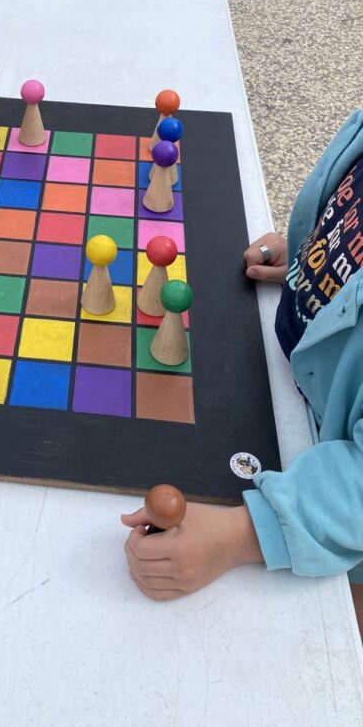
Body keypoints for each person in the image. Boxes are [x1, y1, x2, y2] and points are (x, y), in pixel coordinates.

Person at [122, 110, 363, 638]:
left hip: (331, 511)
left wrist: (245, 533)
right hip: (287, 390)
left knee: (336, 643)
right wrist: (312, 259)